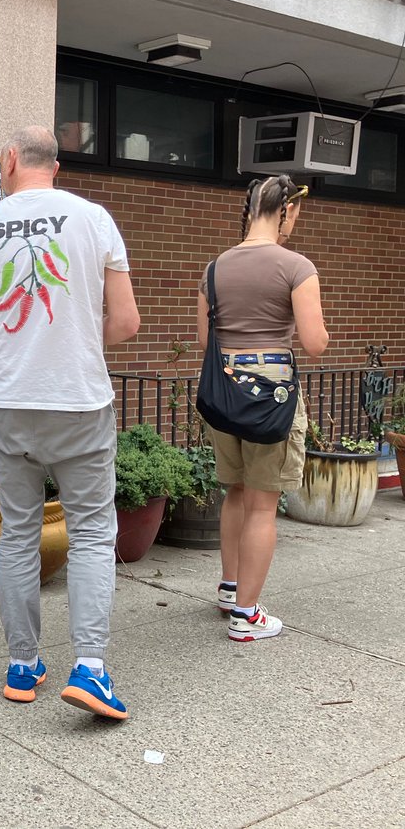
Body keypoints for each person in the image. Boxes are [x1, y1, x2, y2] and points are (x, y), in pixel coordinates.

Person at [0, 126, 140, 721]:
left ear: (9, 161)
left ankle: (22, 664)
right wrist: (74, 340)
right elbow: (126, 322)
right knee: (89, 532)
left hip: (8, 403)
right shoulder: (94, 219)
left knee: (19, 531)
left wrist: (16, 347)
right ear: (55, 166)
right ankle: (89, 669)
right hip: (79, 400)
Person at [197, 175, 326, 642]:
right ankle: (246, 616)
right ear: (287, 211)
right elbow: (313, 343)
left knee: (235, 492)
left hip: (223, 395)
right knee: (263, 506)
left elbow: (202, 340)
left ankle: (231, 589)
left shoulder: (214, 268)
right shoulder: (296, 266)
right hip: (271, 401)